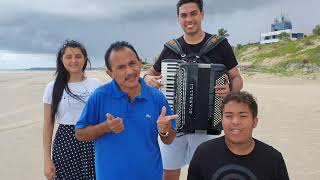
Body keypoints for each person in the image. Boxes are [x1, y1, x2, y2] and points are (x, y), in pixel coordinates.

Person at [144, 0, 243, 179]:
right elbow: (148, 75)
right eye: (184, 15)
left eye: (193, 13)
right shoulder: (171, 48)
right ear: (178, 18)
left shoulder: (219, 44)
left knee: (206, 174)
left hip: (208, 124)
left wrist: (231, 93)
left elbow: (236, 77)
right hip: (174, 123)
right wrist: (149, 79)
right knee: (168, 174)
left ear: (202, 14)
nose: (189, 19)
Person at [75, 41, 177, 180]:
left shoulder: (156, 97)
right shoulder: (99, 97)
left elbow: (169, 139)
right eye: (121, 67)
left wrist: (164, 130)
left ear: (140, 62)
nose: (129, 71)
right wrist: (105, 127)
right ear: (110, 73)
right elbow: (80, 134)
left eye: (132, 63)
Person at [187, 91, 290, 180]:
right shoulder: (204, 153)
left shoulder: (272, 159)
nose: (235, 121)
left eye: (243, 116)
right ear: (221, 121)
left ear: (254, 122)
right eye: (228, 116)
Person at [42, 40, 101, 180]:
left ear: (85, 59)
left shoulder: (96, 85)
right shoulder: (52, 87)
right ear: (61, 60)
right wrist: (47, 160)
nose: (73, 60)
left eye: (78, 56)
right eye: (68, 57)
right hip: (65, 143)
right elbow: (48, 125)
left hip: (92, 140)